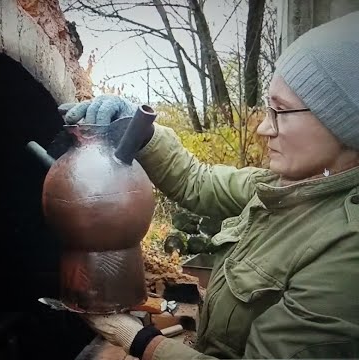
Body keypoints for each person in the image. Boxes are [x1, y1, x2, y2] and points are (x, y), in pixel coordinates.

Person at [58, 11, 359, 359]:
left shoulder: (346, 252)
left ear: (342, 125)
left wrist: (138, 341)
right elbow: (196, 182)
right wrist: (139, 129)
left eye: (282, 111)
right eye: (267, 108)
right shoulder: (286, 188)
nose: (264, 128)